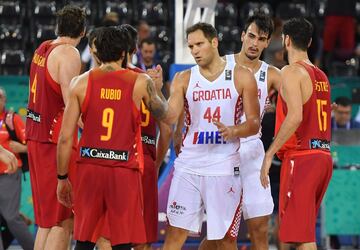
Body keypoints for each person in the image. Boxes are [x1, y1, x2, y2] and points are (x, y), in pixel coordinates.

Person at [56, 26, 170, 250]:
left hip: (90, 168)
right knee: (122, 239)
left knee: (85, 238)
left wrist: (62, 178)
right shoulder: (140, 82)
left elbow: (64, 138)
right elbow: (165, 115)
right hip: (123, 170)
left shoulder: (80, 82)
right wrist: (157, 89)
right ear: (123, 53)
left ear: (97, 53)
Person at [177, 13, 280, 250]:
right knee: (219, 236)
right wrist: (179, 134)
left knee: (260, 228)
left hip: (252, 151)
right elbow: (190, 92)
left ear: (267, 42)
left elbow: (298, 101)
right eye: (251, 36)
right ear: (243, 36)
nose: (254, 43)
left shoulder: (272, 74)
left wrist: (324, 102)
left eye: (261, 39)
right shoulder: (220, 63)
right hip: (220, 150)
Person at [163, 22, 260, 250]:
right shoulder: (183, 78)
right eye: (191, 46)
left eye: (199, 44)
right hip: (189, 165)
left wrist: (234, 131)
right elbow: (170, 115)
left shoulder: (241, 76)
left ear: (214, 42)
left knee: (225, 240)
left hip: (224, 166)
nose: (195, 50)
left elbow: (254, 123)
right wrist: (153, 92)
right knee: (175, 236)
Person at [260, 18, 333, 250]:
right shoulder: (322, 76)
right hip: (322, 157)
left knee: (302, 239)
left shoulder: (291, 71)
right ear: (309, 42)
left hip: (302, 159)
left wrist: (269, 152)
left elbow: (295, 117)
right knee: (303, 232)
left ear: (286, 40)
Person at [26, 5, 86, 250]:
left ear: (58, 28)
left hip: (35, 136)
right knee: (64, 220)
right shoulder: (70, 55)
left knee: (46, 222)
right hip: (54, 142)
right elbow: (73, 107)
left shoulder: (43, 47)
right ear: (83, 31)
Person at [122, 24, 172, 250]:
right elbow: (168, 128)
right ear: (135, 50)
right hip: (145, 161)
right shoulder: (148, 81)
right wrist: (157, 161)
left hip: (116, 161)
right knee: (142, 237)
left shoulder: (102, 79)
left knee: (111, 234)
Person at [0, 88, 34, 250]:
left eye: (0, 97)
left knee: (11, 216)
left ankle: (33, 247)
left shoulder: (12, 119)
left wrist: (20, 148)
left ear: (5, 100)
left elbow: (32, 147)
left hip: (9, 173)